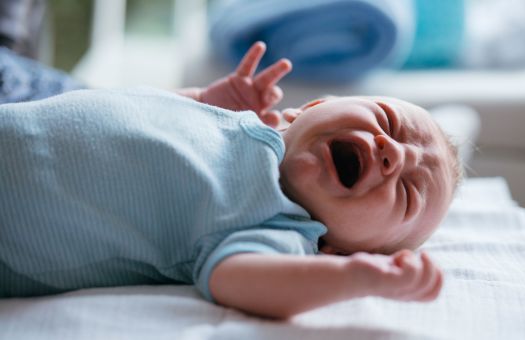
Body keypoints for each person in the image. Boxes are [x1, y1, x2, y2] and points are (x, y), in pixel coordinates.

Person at [0, 42, 458, 319]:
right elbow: (137, 111)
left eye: (407, 193)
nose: (392, 154)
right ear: (312, 107)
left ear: (340, 250)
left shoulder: (280, 228)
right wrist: (201, 98)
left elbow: (239, 281)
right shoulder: (236, 122)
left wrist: (353, 280)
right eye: (388, 122)